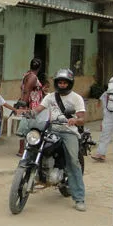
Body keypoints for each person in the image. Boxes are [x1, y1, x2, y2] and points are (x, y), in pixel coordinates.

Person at [24, 69, 86, 212]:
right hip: (50, 129)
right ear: (56, 83)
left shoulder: (76, 98)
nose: (62, 85)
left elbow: (82, 118)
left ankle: (79, 198)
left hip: (69, 132)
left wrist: (75, 120)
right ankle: (33, 175)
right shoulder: (50, 97)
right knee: (33, 147)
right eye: (60, 82)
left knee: (73, 161)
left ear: (69, 84)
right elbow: (39, 109)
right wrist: (29, 113)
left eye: (65, 83)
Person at [16, 58, 44, 156]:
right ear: (40, 67)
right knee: (30, 128)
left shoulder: (27, 75)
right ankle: (23, 150)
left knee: (27, 127)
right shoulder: (33, 77)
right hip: (32, 106)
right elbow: (27, 91)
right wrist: (24, 105)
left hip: (30, 105)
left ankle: (23, 149)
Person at [91, 76, 113, 162]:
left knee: (104, 135)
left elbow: (103, 106)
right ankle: (100, 154)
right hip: (108, 117)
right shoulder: (106, 94)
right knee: (104, 135)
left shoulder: (105, 94)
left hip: (108, 117)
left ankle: (101, 154)